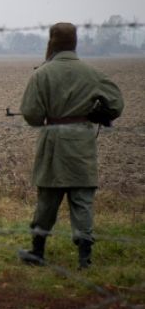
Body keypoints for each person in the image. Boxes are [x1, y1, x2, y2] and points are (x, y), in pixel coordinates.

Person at [18, 22, 124, 269]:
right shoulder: (93, 73)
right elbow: (116, 104)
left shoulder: (42, 74)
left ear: (51, 42)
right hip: (82, 144)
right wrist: (97, 115)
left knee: (47, 199)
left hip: (53, 143)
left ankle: (37, 251)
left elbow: (32, 114)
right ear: (75, 42)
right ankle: (85, 257)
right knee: (82, 199)